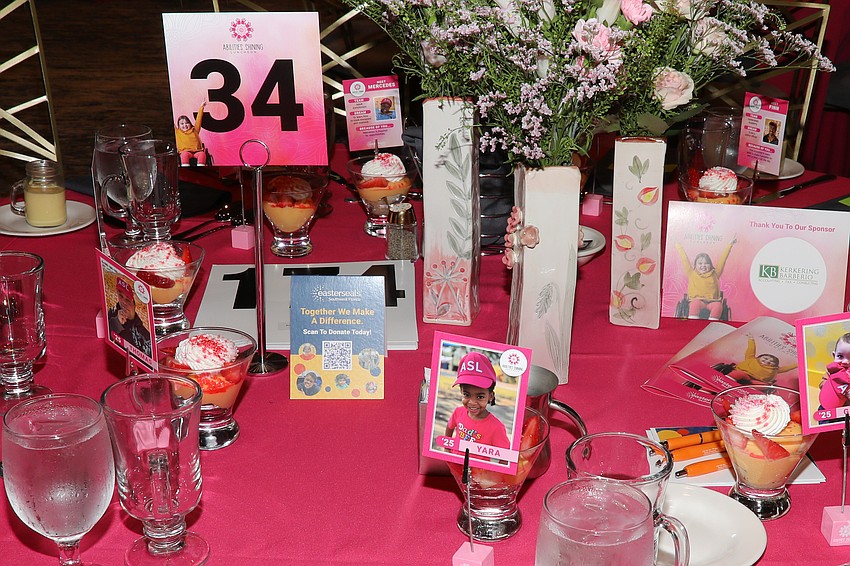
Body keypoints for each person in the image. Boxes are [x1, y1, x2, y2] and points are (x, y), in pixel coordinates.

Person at [445, 351, 509, 451]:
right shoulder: (458, 412)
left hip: (480, 468)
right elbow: (449, 427)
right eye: (466, 395)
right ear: (461, 391)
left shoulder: (496, 427)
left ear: (490, 396)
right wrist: (447, 449)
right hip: (453, 465)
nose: (472, 402)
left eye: (480, 397)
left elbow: (505, 454)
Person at [675, 236, 736, 320]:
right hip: (696, 301)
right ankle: (693, 323)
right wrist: (678, 245)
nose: (703, 265)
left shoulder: (715, 273)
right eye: (700, 263)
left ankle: (711, 324)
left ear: (710, 265)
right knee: (695, 304)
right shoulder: (691, 273)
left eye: (706, 263)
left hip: (713, 302)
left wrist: (730, 245)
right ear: (695, 265)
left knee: (718, 306)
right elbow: (684, 259)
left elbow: (723, 260)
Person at [727, 334, 796, 386]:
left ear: (775, 365)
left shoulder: (775, 369)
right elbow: (751, 349)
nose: (768, 361)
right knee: (738, 374)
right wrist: (751, 339)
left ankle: (749, 392)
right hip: (744, 374)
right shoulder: (751, 359)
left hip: (756, 381)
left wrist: (800, 363)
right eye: (765, 358)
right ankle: (727, 381)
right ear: (759, 357)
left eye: (772, 362)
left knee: (764, 386)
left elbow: (788, 368)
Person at [107, 278, 152, 357]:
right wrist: (117, 322)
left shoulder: (144, 332)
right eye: (121, 296)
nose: (123, 302)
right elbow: (108, 334)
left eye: (127, 300)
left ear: (134, 305)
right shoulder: (111, 316)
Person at [818, 333, 850, 414]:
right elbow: (821, 384)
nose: (845, 362)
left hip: (846, 408)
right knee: (823, 413)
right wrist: (830, 384)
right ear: (834, 355)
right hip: (829, 403)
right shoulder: (832, 370)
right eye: (840, 356)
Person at [175, 101, 207, 166]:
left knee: (202, 154)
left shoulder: (195, 130)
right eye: (182, 124)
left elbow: (199, 119)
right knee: (184, 155)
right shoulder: (177, 132)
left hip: (197, 151)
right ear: (179, 125)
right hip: (185, 152)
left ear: (190, 123)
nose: (185, 125)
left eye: (187, 123)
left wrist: (202, 107)